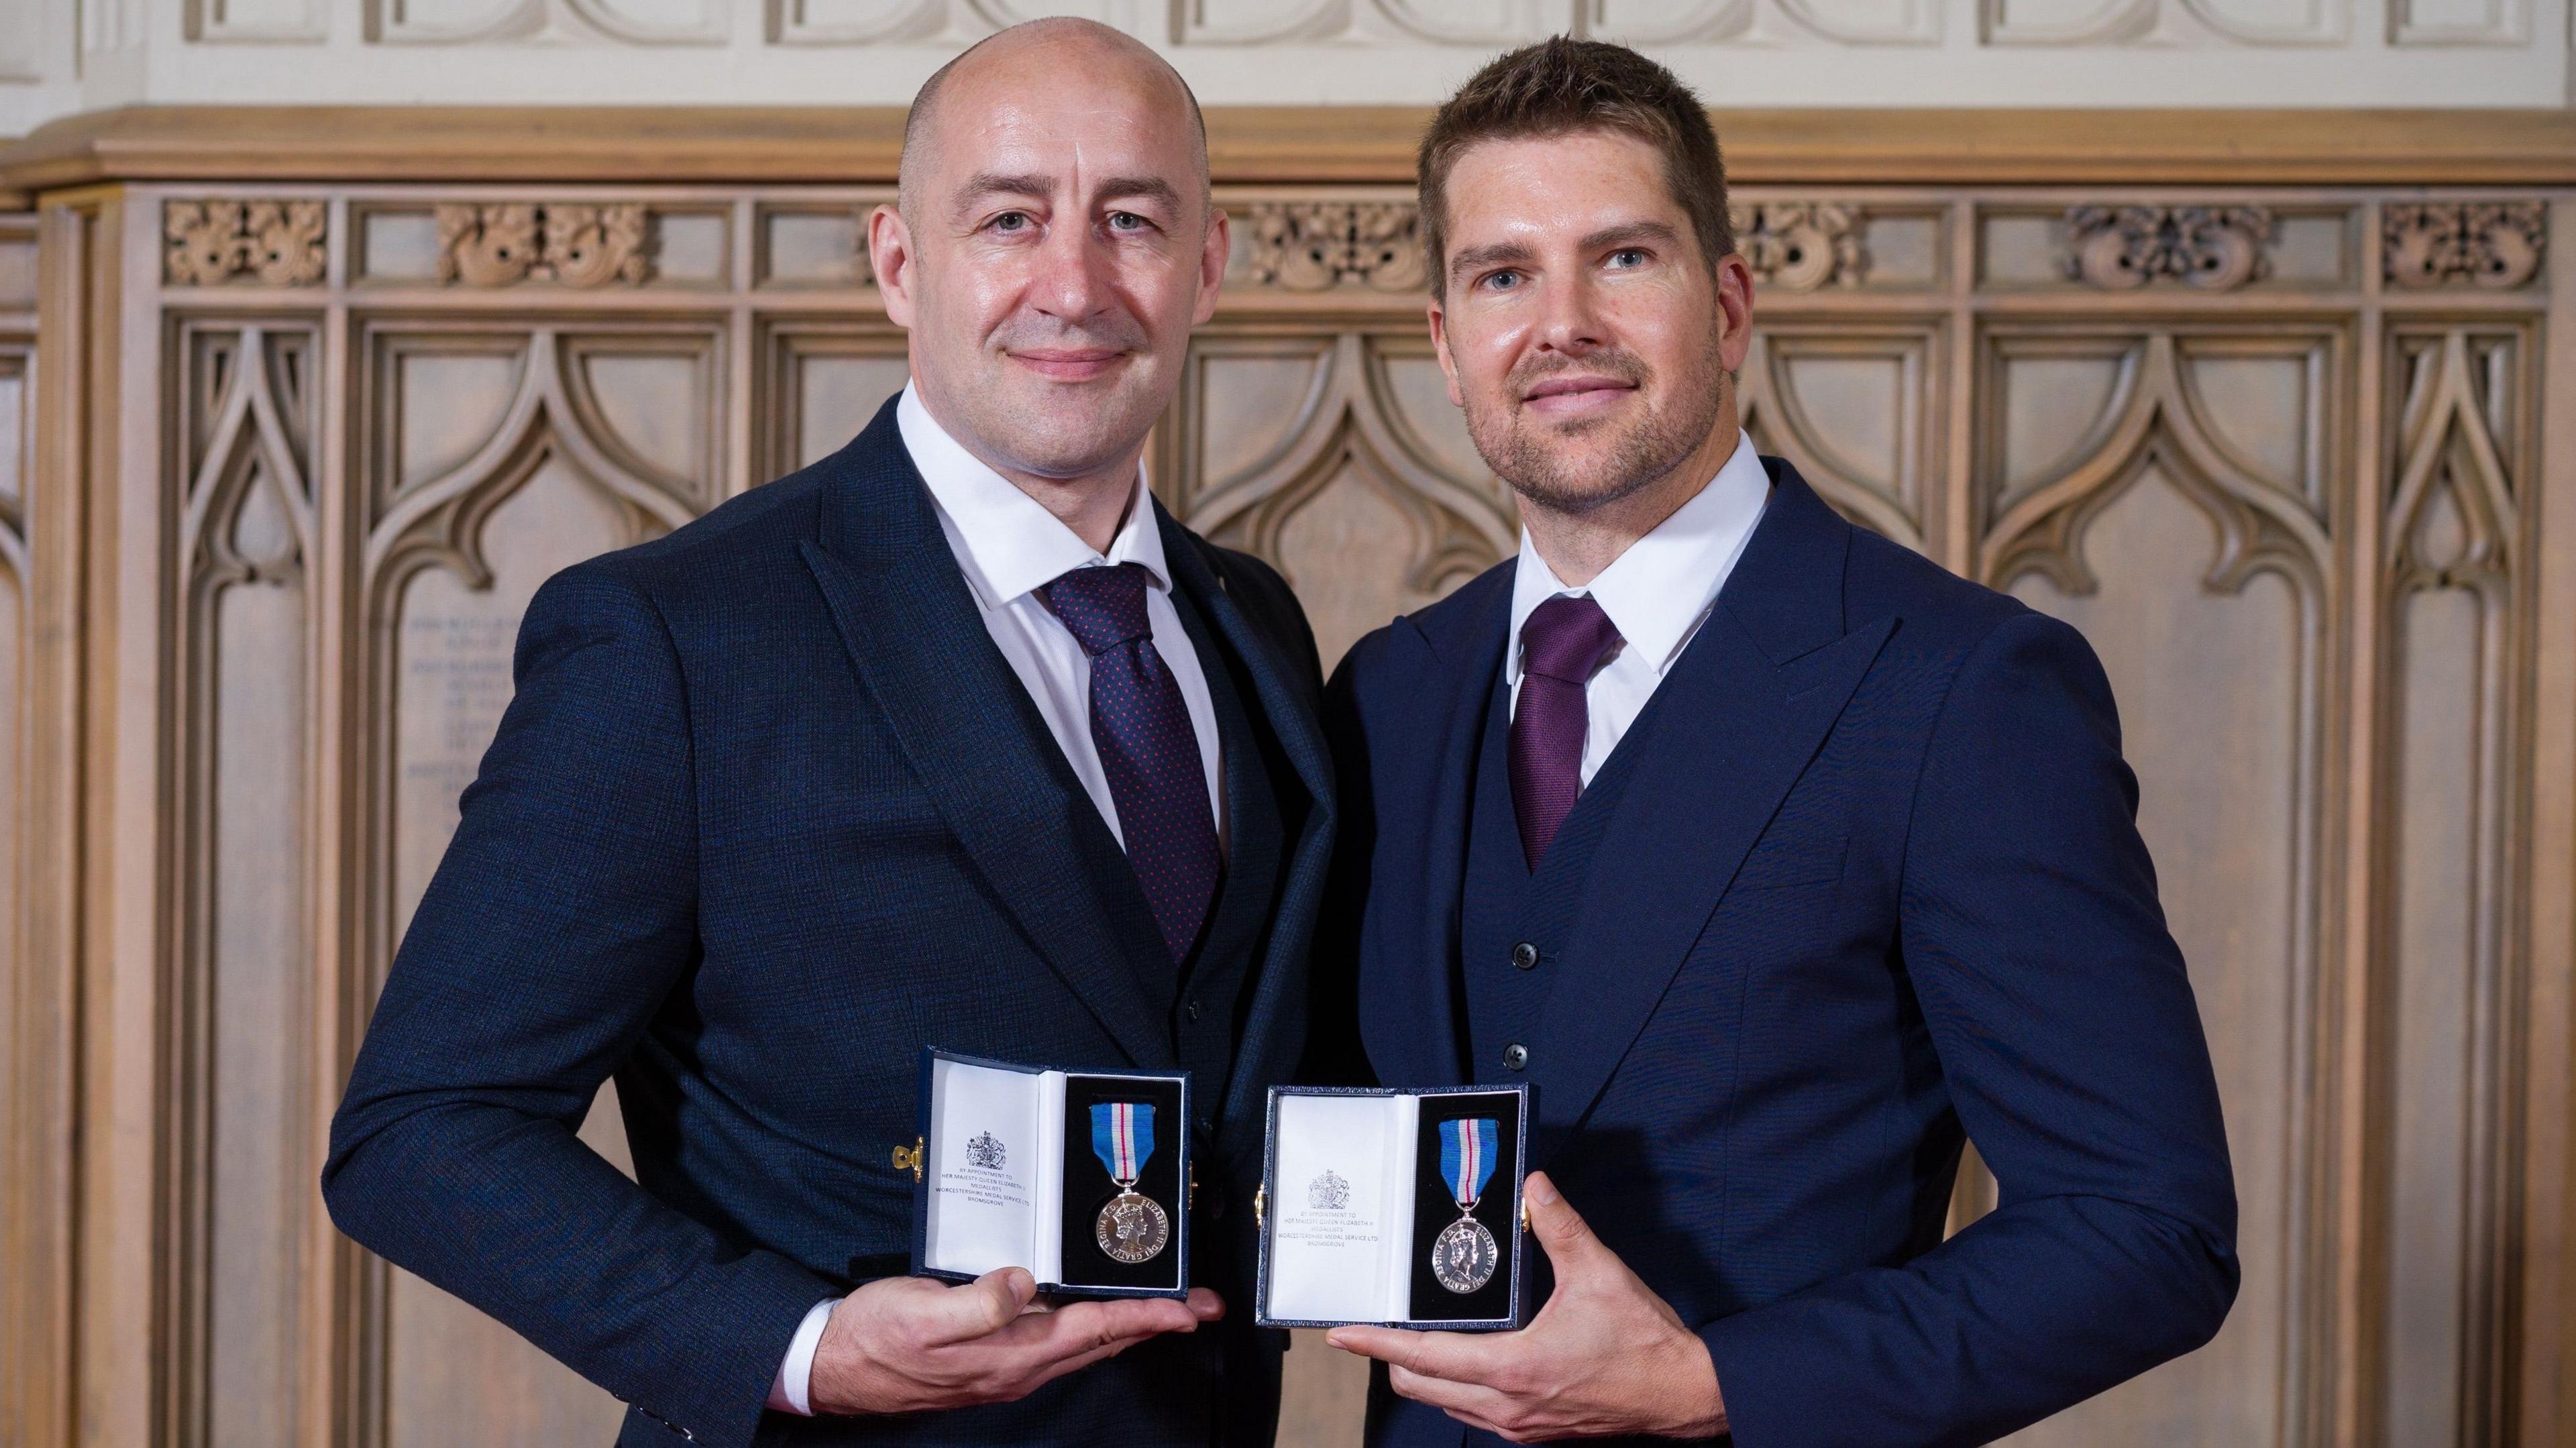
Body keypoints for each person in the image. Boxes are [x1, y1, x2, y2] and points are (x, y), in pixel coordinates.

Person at [325, 19, 1334, 1448]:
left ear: (1209, 267)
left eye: (1132, 221)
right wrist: (794, 1346)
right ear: (899, 262)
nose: (1076, 282)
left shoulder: (1253, 626)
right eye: (1009, 218)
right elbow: (419, 1133)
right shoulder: (674, 639)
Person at [1314, 38, 2237, 1448]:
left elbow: (2145, 1227)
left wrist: (1708, 1388)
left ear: (1728, 304)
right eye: (1504, 274)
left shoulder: (1962, 690)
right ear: (1445, 344)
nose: (1560, 323)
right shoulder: (1390, 693)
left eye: (1622, 258)